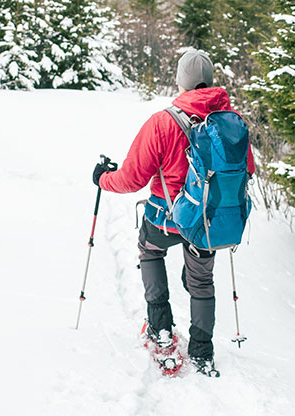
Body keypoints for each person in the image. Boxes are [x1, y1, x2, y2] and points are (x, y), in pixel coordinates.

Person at [91, 50, 255, 377]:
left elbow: (132, 178)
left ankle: (161, 332)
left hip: (164, 217)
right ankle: (202, 352)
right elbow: (247, 170)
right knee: (201, 281)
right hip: (206, 221)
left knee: (150, 252)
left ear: (181, 81)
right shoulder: (231, 125)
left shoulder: (162, 122)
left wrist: (102, 179)